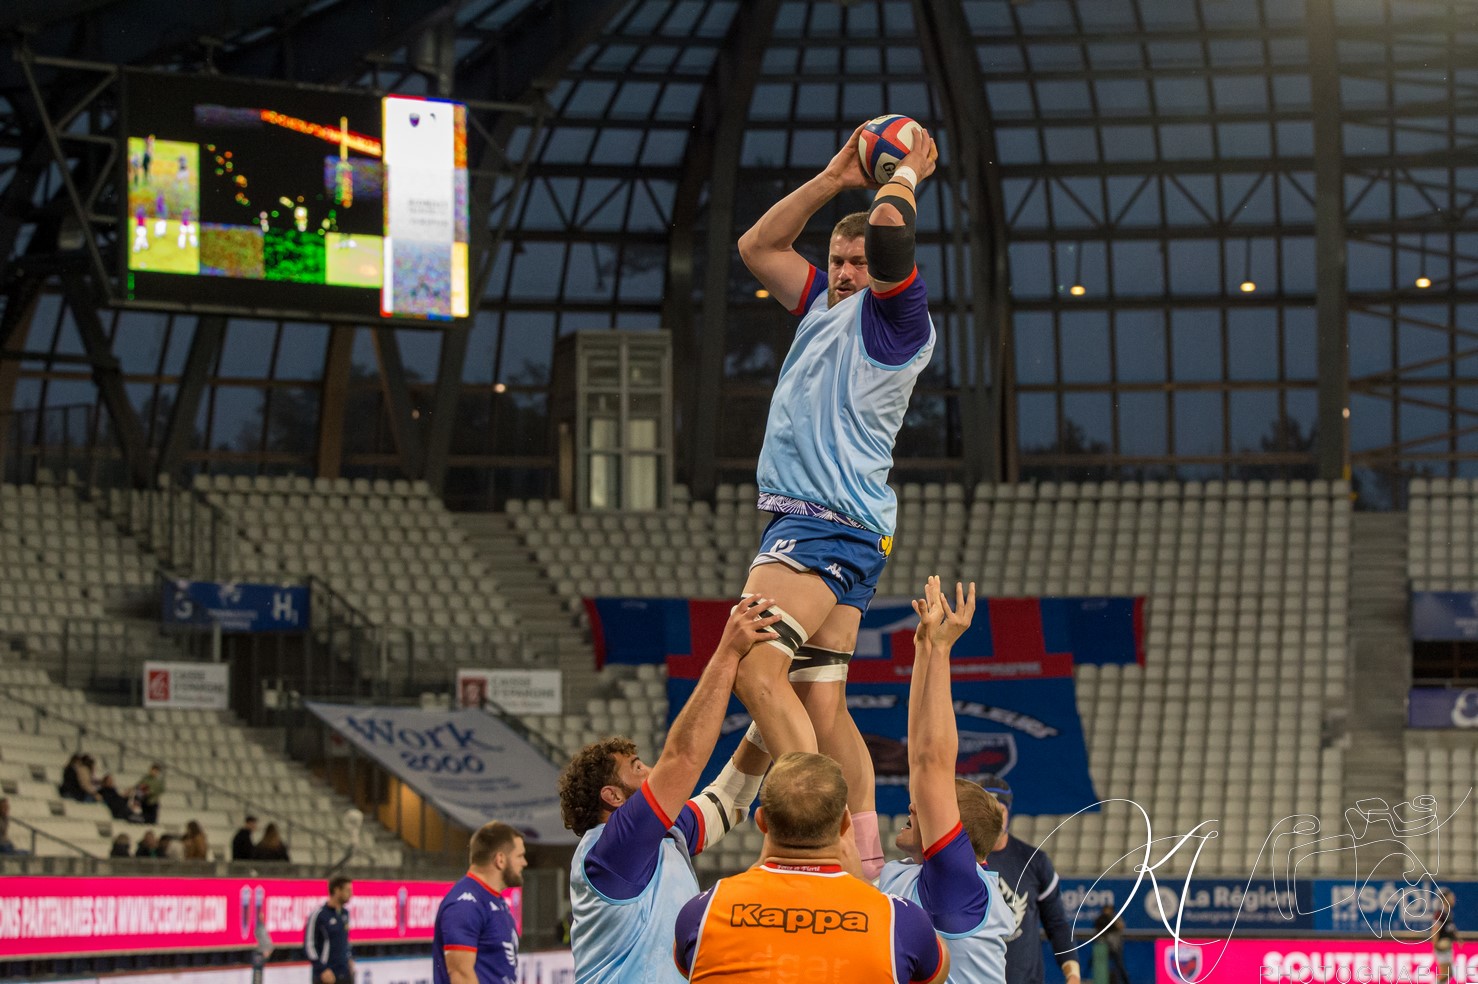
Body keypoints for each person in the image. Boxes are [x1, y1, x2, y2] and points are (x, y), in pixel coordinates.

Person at [732, 120, 938, 880]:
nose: (848, 270)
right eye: (838, 260)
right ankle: (869, 863)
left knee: (755, 673)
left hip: (820, 525)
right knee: (822, 707)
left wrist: (902, 173)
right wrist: (828, 180)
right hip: (845, 530)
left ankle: (815, 844)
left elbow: (889, 239)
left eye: (858, 262)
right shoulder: (823, 302)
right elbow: (757, 248)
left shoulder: (895, 318)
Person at [559, 597, 782, 983]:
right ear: (612, 797)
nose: (651, 771)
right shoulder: (612, 848)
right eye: (637, 768)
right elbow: (682, 758)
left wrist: (769, 714)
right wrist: (727, 651)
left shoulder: (661, 837)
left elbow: (728, 800)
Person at [673, 752, 949, 982]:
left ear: (761, 821)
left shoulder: (701, 913)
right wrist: (862, 886)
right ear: (844, 824)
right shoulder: (901, 921)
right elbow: (936, 974)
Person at [880, 576, 1013, 983]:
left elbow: (931, 764)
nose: (913, 803)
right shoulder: (909, 873)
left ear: (957, 837)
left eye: (927, 803)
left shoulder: (958, 885)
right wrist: (923, 648)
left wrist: (941, 650)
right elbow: (920, 762)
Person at [983, 774, 1082, 984]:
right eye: (986, 811)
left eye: (999, 810)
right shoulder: (963, 861)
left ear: (1008, 811)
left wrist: (1072, 974)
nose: (993, 818)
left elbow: (1057, 924)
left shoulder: (1034, 862)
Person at [432, 821, 528, 984]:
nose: (524, 863)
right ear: (500, 860)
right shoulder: (465, 904)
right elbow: (460, 975)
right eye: (519, 856)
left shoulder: (494, 900)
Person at [306, 876, 355, 984]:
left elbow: (344, 940)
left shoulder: (344, 913)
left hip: (344, 974)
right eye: (348, 890)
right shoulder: (319, 915)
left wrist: (349, 959)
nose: (351, 894)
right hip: (327, 976)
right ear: (337, 890)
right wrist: (322, 969)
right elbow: (309, 945)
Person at [1092, 905, 1128, 984]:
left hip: (1115, 946)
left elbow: (1121, 927)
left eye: (1109, 910)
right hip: (1102, 946)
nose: (1107, 912)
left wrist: (1112, 919)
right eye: (1105, 910)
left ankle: (1126, 982)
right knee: (1098, 965)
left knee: (1119, 965)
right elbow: (1097, 930)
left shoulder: (1115, 918)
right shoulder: (1101, 919)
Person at [1434, 888, 1458, 984]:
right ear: (1445, 899)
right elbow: (1435, 929)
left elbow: (1451, 927)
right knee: (1445, 973)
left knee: (1449, 973)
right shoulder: (1440, 913)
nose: (1454, 899)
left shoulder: (1448, 912)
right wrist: (1435, 945)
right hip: (1441, 946)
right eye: (1451, 897)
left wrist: (1458, 938)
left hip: (1447, 946)